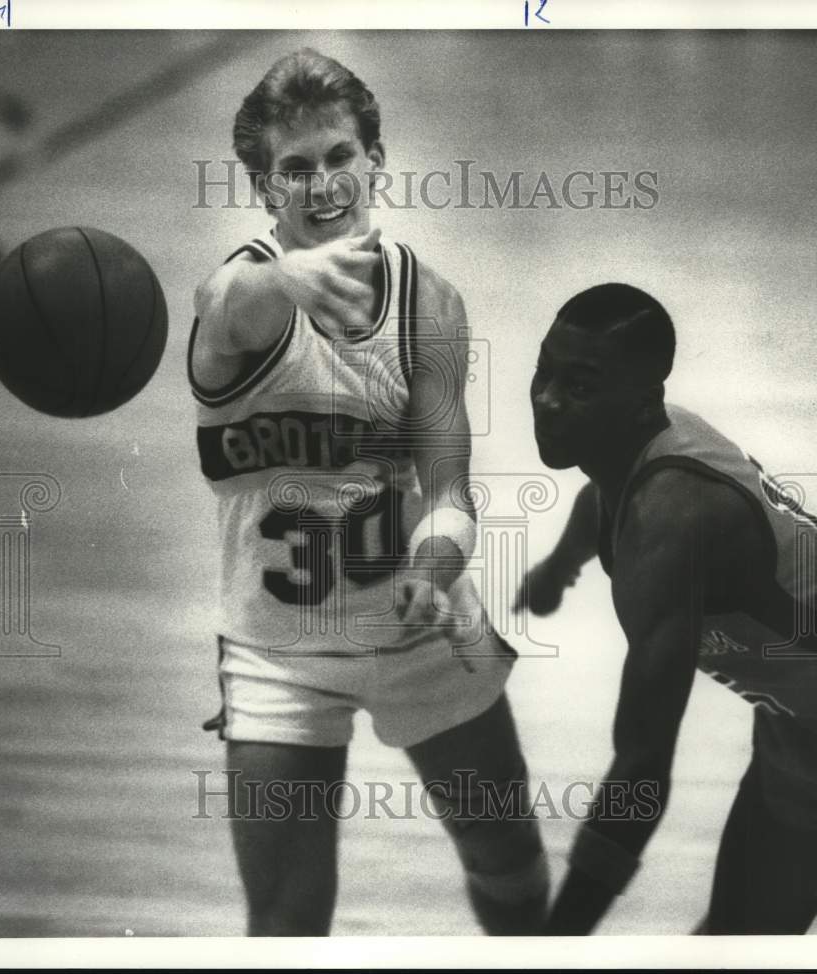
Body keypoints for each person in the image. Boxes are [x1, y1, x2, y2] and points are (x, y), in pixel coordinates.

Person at [189, 49, 548, 936]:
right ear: (265, 189)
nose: (322, 185)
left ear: (376, 162)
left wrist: (435, 560)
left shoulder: (429, 304)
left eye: (339, 157)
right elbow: (223, 298)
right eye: (295, 169)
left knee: (511, 866)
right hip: (281, 651)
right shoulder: (241, 300)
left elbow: (451, 492)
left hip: (419, 629)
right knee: (286, 917)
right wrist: (288, 278)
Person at [516, 283, 817, 935]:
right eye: (545, 369)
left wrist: (557, 940)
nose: (547, 398)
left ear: (642, 399)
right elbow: (601, 500)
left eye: (581, 384)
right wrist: (557, 570)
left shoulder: (673, 521)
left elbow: (642, 774)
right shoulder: (637, 453)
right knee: (734, 946)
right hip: (807, 737)